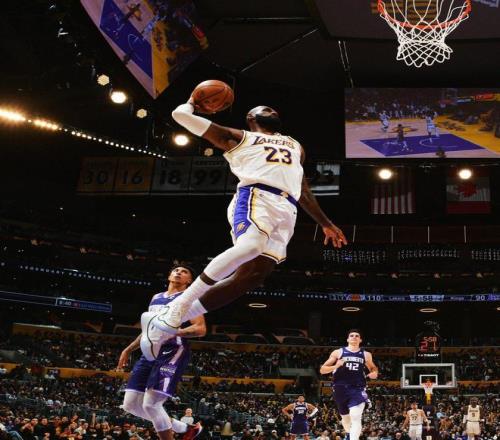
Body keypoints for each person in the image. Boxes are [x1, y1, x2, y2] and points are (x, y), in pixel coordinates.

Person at [153, 93, 347, 334]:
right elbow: (180, 115)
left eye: (274, 110)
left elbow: (303, 190)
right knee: (251, 246)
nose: (272, 111)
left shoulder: (295, 145)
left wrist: (325, 223)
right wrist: (192, 101)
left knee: (253, 275)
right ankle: (179, 304)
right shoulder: (240, 137)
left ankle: (167, 320)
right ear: (250, 118)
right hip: (256, 197)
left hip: (287, 209)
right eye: (265, 109)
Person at [118, 266, 205, 440]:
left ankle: (183, 430)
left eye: (184, 272)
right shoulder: (156, 298)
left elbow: (200, 328)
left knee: (151, 405)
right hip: (150, 350)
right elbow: (149, 330)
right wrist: (128, 349)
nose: (179, 272)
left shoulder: (188, 298)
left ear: (189, 281)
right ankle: (184, 428)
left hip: (172, 350)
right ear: (169, 275)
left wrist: (175, 331)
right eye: (176, 270)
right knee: (130, 405)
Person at [319, 329, 378, 440]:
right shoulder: (338, 352)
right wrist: (335, 366)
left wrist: (374, 373)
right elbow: (322, 370)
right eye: (352, 335)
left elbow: (373, 368)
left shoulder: (366, 354)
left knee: (355, 416)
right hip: (340, 389)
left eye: (357, 336)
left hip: (357, 388)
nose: (354, 337)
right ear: (347, 339)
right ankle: (349, 433)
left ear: (360, 340)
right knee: (346, 420)